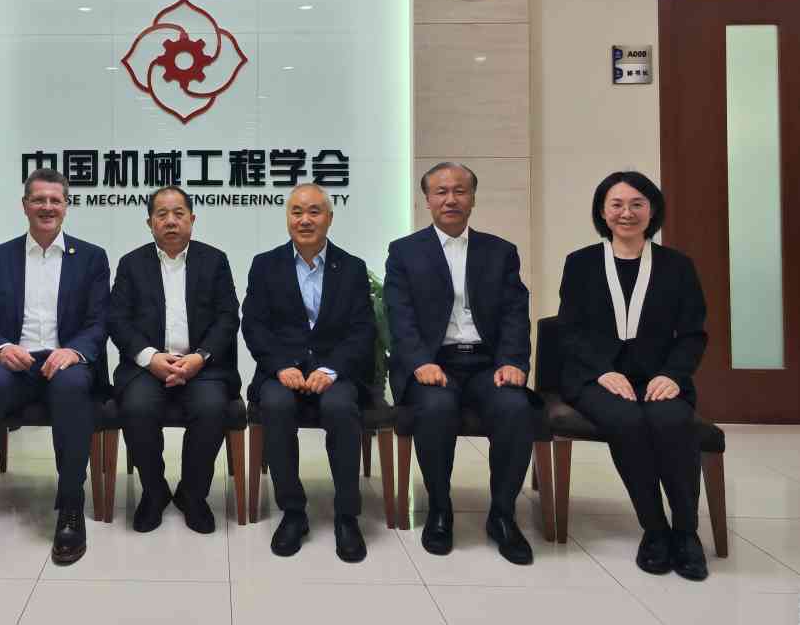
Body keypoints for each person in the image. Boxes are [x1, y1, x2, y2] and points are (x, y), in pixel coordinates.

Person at [558, 170, 709, 580]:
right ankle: (655, 530)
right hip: (596, 377)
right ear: (602, 212)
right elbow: (569, 330)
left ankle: (686, 532)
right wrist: (602, 370)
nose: (627, 213)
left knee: (672, 420)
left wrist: (674, 374)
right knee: (626, 421)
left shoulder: (677, 266)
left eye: (637, 204)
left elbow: (692, 333)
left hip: (659, 376)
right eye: (617, 204)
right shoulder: (581, 263)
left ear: (652, 210)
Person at [0, 168, 110, 571]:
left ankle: (70, 509)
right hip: (14, 361)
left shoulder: (91, 257)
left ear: (66, 206)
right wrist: (1, 347)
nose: (47, 207)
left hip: (65, 362)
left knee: (73, 387)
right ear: (24, 205)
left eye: (55, 200)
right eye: (38, 199)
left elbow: (99, 322)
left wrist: (74, 351)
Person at [385, 162, 536, 565]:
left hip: (487, 364)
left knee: (515, 407)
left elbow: (515, 313)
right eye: (441, 192)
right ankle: (440, 509)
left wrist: (512, 361)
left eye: (459, 191)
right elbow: (400, 316)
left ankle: (502, 515)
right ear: (427, 200)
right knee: (435, 408)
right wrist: (419, 362)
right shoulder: (404, 251)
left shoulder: (500, 252)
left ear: (472, 198)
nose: (450, 199)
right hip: (434, 363)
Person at [241, 184, 374, 562]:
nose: (304, 220)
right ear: (287, 218)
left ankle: (346, 515)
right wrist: (280, 365)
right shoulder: (265, 265)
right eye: (296, 212)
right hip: (282, 371)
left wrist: (332, 369)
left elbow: (363, 330)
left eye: (314, 212)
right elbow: (254, 324)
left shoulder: (351, 267)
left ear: (329, 218)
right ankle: (293, 512)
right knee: (276, 405)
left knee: (340, 408)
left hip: (334, 372)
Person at [108, 186, 240, 534]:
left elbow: (228, 317)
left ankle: (192, 495)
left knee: (212, 407)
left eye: (178, 214)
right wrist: (150, 357)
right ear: (149, 222)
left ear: (192, 219)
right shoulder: (131, 264)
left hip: (203, 366)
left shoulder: (215, 260)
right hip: (147, 366)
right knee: (137, 407)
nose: (170, 221)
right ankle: (154, 492)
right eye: (162, 214)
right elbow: (117, 320)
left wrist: (199, 357)